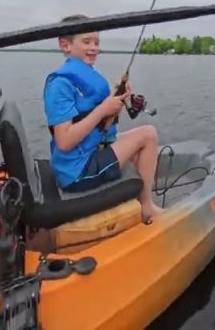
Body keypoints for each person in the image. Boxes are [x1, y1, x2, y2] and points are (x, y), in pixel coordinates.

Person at [43, 15, 163, 223]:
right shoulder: (60, 85)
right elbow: (64, 142)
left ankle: (134, 201)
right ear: (66, 45)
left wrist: (116, 101)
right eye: (87, 42)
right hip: (77, 172)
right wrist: (103, 109)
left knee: (141, 142)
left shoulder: (84, 77)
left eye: (97, 42)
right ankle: (146, 208)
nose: (94, 48)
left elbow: (99, 125)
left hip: (87, 153)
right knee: (148, 135)